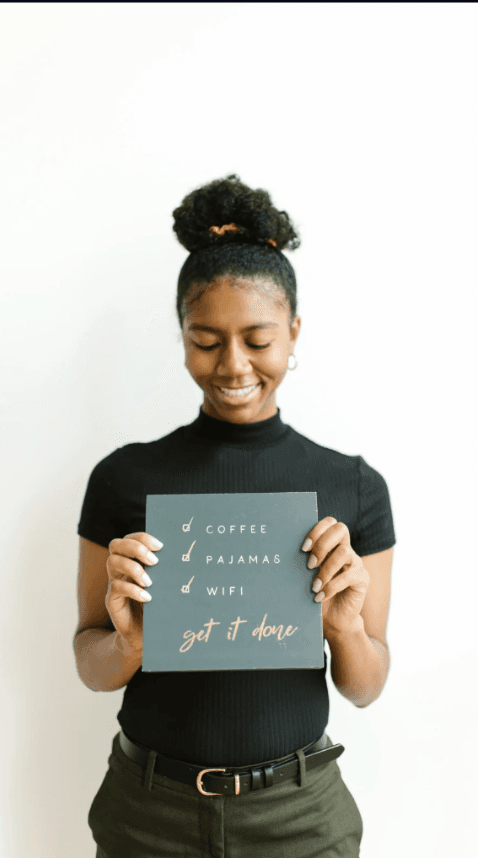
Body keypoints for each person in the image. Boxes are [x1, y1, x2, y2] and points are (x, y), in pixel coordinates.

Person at [74, 173, 396, 858]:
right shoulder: (124, 479)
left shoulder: (353, 485)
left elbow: (365, 687)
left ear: (293, 331)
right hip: (148, 813)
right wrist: (129, 641)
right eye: (206, 339)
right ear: (182, 335)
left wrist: (343, 628)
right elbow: (90, 660)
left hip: (299, 816)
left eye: (257, 338)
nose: (233, 365)